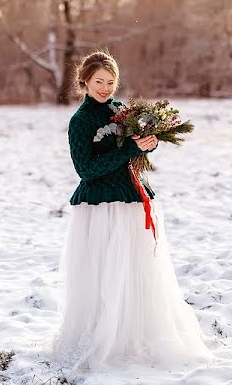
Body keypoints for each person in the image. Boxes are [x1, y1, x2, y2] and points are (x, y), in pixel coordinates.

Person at [48, 49, 213, 373]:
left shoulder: (123, 111)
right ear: (84, 81)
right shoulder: (80, 122)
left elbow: (134, 157)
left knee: (135, 271)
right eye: (98, 81)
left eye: (111, 82)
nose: (105, 88)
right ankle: (101, 337)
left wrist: (148, 145)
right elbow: (86, 169)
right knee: (104, 273)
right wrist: (129, 150)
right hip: (100, 208)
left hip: (133, 201)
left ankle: (134, 335)